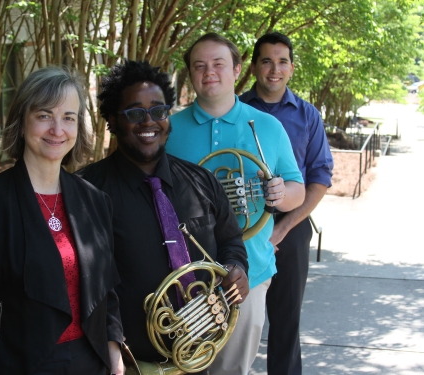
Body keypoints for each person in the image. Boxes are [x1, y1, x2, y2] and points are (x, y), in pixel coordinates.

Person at [0, 66, 124, 375]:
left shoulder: (95, 201)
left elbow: (106, 293)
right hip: (12, 363)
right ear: (21, 122)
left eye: (69, 118)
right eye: (44, 115)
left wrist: (115, 359)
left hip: (89, 361)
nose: (57, 129)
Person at [76, 60, 249, 372]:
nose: (149, 121)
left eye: (158, 110)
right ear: (113, 120)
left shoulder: (202, 183)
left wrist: (236, 267)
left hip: (199, 359)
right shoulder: (86, 191)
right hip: (123, 365)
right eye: (134, 113)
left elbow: (231, 240)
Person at [168, 33, 305, 375]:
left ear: (237, 70)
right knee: (186, 366)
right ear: (190, 73)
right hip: (185, 272)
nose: (209, 72)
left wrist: (280, 194)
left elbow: (297, 189)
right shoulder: (169, 128)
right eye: (199, 66)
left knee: (232, 371)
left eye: (218, 64)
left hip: (249, 271)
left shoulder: (268, 127)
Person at [240, 32, 333, 375]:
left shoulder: (308, 116)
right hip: (241, 230)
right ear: (253, 68)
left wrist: (281, 229)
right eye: (266, 61)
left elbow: (320, 178)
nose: (274, 69)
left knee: (286, 322)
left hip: (291, 228)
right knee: (233, 319)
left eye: (282, 62)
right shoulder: (236, 110)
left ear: (292, 68)